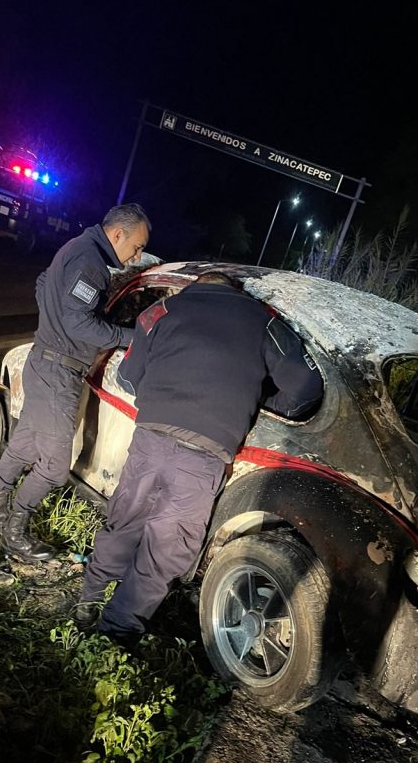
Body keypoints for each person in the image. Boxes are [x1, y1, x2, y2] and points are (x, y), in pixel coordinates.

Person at [75, 270, 324, 644]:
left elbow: (127, 377)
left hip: (151, 439)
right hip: (205, 454)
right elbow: (307, 387)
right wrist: (257, 400)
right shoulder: (265, 321)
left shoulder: (161, 311)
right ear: (234, 291)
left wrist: (162, 394)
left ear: (196, 286)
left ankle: (89, 599)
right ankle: (118, 630)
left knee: (125, 520)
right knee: (167, 546)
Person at [0, 203, 152, 564]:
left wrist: (53, 323)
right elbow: (79, 325)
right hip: (59, 371)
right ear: (117, 234)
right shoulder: (91, 263)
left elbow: (44, 284)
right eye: (136, 247)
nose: (136, 256)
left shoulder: (76, 246)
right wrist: (130, 337)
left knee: (24, 444)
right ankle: (15, 531)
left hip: (44, 360)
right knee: (56, 468)